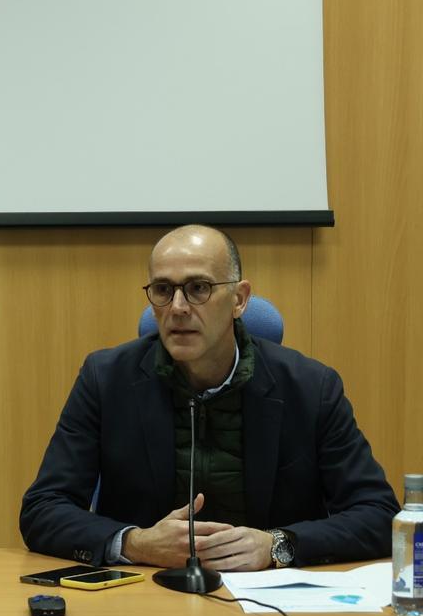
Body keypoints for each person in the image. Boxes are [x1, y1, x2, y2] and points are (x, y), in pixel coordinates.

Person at [20, 225, 398, 570]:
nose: (179, 308)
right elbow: (43, 509)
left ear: (239, 299)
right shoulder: (106, 379)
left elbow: (380, 514)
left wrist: (277, 545)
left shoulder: (311, 387)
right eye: (164, 290)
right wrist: (135, 543)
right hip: (145, 596)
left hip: (269, 603)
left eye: (199, 288)